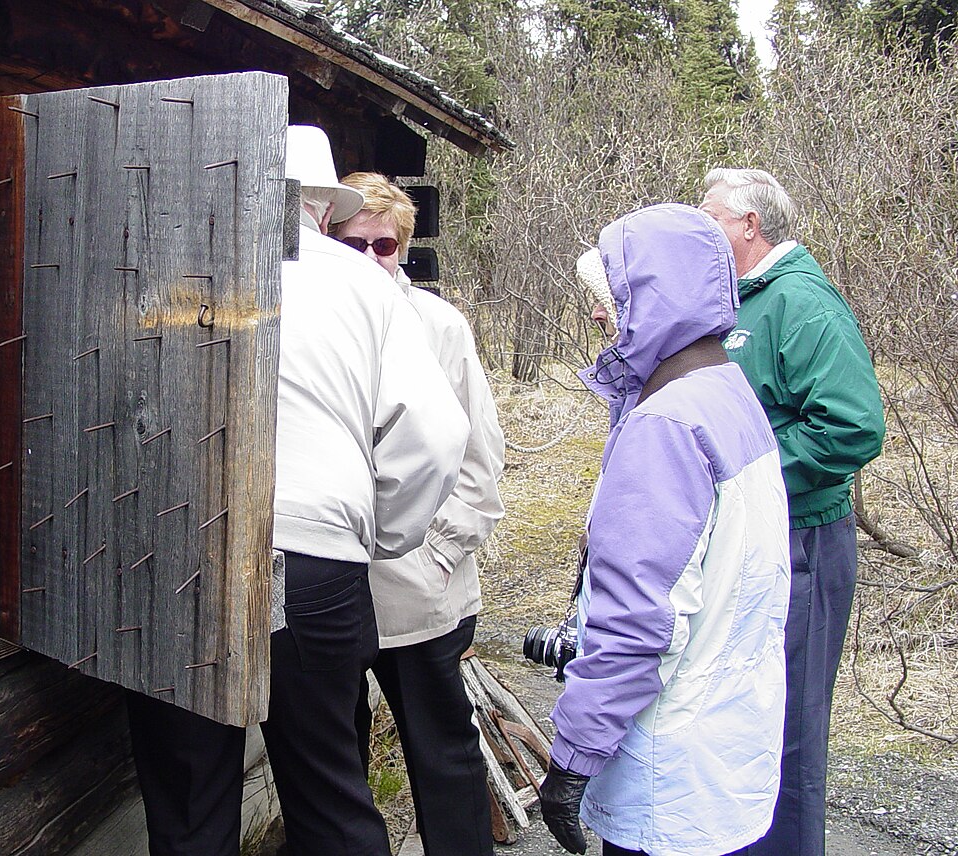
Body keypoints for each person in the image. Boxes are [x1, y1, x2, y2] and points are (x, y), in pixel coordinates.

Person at [126, 124, 469, 856]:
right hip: (317, 560)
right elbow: (437, 436)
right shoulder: (363, 287)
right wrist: (378, 533)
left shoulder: (173, 268)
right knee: (329, 796)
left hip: (179, 552)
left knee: (189, 806)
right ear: (322, 206)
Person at [538, 204, 792, 856]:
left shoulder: (667, 424)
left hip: (669, 771)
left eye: (611, 297)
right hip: (728, 750)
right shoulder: (726, 390)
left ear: (656, 296)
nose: (598, 313)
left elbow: (636, 621)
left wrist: (572, 758)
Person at [700, 168, 886, 856]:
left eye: (710, 214)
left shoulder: (802, 303)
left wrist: (748, 475)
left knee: (791, 729)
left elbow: (853, 426)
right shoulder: (746, 298)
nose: (701, 227)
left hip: (803, 542)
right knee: (743, 719)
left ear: (750, 225)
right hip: (752, 541)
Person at [333, 172, 505, 856]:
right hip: (331, 592)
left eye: (384, 245)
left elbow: (480, 457)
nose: (372, 258)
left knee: (444, 755)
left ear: (402, 248)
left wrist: (439, 553)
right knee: (338, 764)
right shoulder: (310, 323)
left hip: (421, 588)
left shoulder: (438, 326)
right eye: (354, 244)